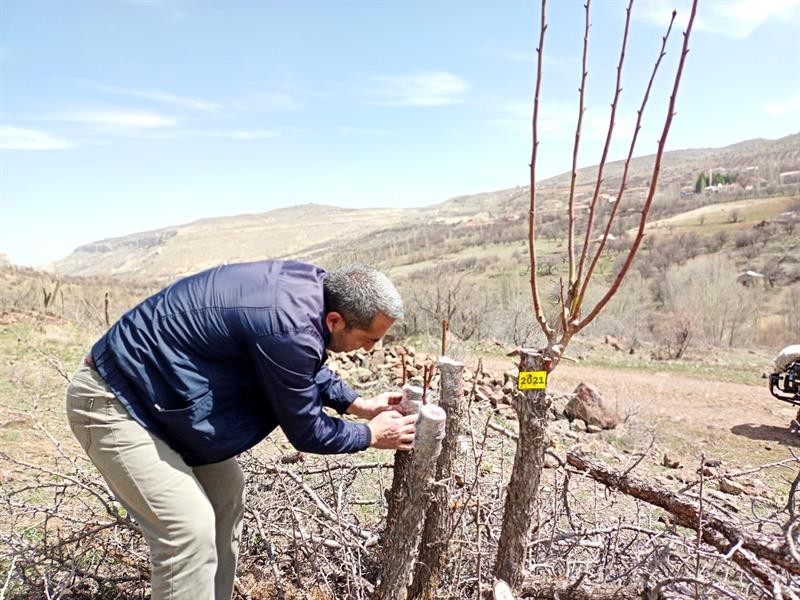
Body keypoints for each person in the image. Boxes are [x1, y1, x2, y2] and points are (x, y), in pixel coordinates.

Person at [65, 260, 416, 600]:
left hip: (164, 401)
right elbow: (308, 430)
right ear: (336, 319)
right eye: (369, 339)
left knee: (225, 496)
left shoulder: (309, 300)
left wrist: (357, 404)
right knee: (187, 530)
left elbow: (298, 360)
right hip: (114, 401)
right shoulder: (287, 323)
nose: (372, 349)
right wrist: (370, 435)